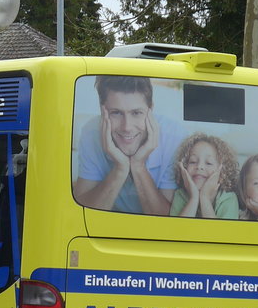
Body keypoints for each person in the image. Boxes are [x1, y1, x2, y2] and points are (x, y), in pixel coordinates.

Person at [74, 76, 183, 215]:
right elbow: (81, 211)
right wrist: (120, 169)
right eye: (116, 113)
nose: (127, 127)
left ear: (151, 110)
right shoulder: (91, 133)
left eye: (136, 113)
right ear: (102, 111)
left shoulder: (174, 138)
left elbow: (168, 219)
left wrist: (138, 166)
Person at [170, 132, 240, 219]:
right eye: (193, 161)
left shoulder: (228, 199)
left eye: (209, 163)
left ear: (222, 172)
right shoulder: (180, 195)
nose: (199, 167)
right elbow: (177, 231)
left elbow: (218, 233)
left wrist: (204, 198)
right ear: (184, 167)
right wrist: (194, 198)